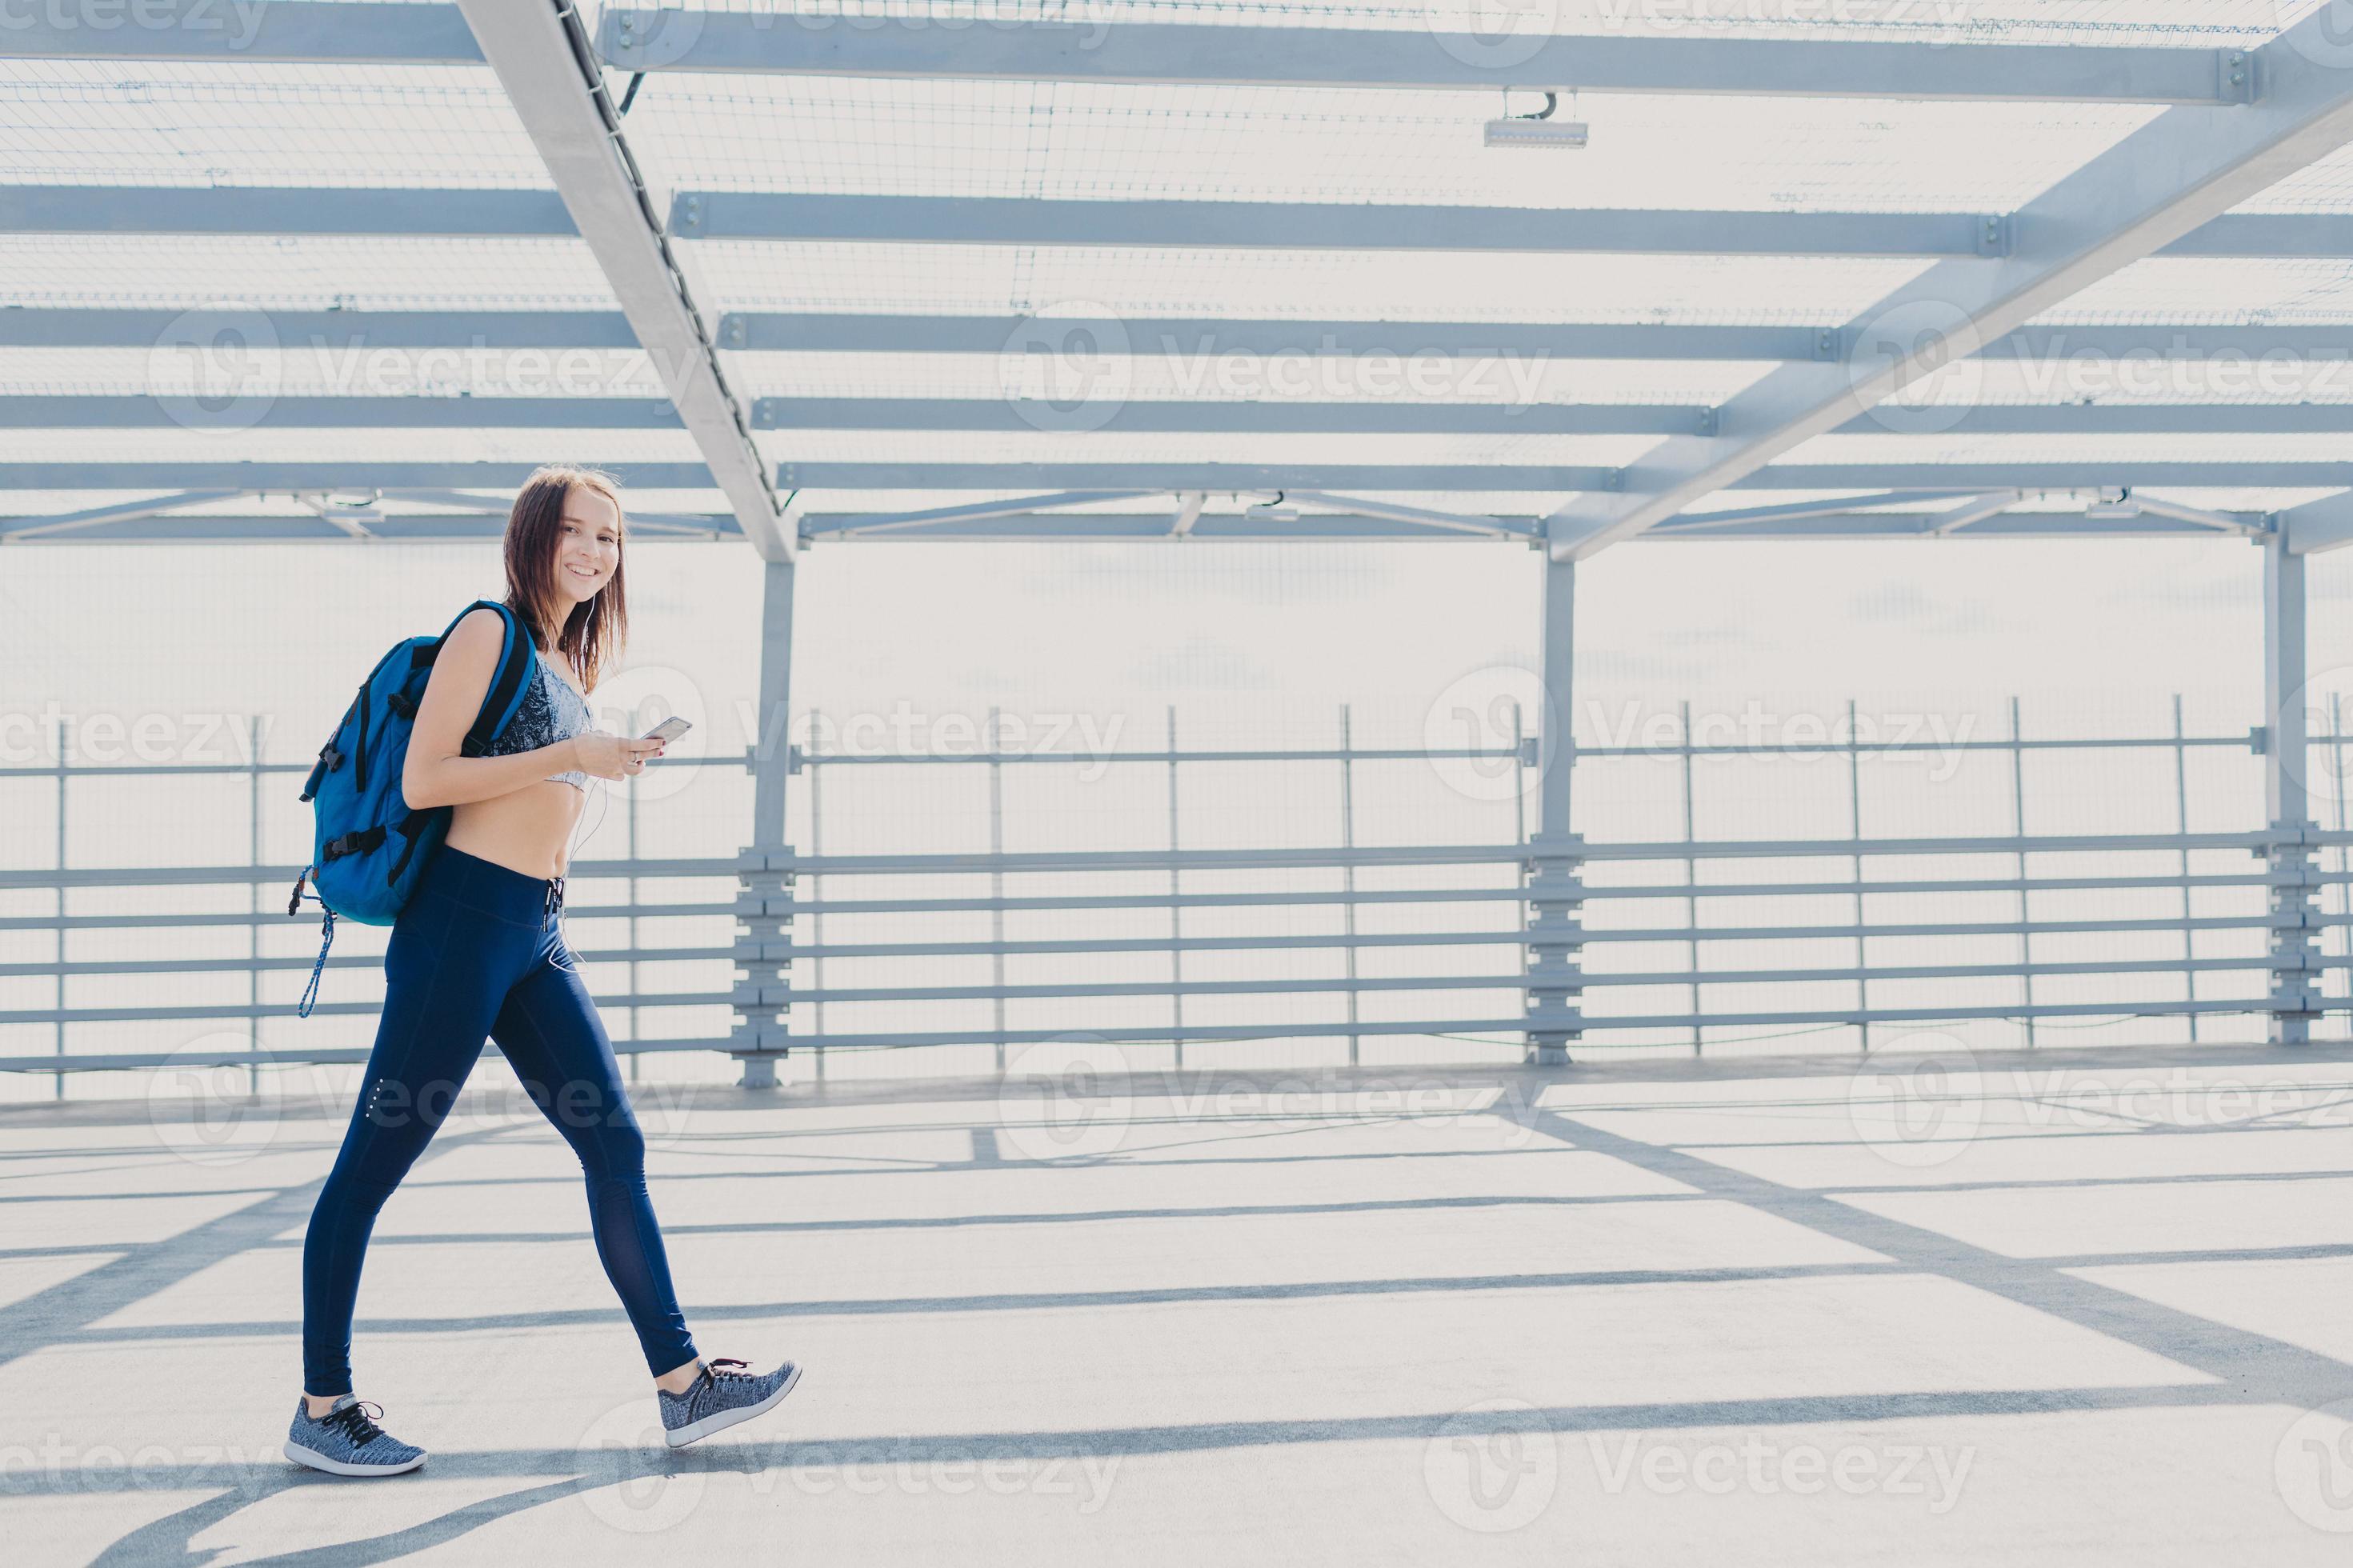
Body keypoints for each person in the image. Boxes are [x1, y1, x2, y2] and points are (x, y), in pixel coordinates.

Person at [285, 464, 800, 1478]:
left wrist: (601, 755)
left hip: (535, 932)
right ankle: (322, 1405)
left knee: (616, 1141)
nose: (592, 551)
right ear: (533, 536)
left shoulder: (567, 658)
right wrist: (574, 750)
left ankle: (683, 1384)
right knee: (369, 1171)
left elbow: (541, 781)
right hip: (460, 930)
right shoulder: (490, 630)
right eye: (574, 530)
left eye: (608, 537)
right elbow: (426, 778)